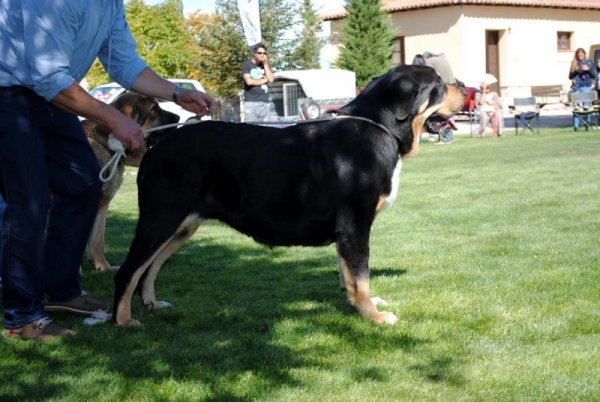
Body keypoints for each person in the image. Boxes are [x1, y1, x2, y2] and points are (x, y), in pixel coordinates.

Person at [0, 1, 215, 341]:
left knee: (84, 183)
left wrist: (177, 92)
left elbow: (124, 63)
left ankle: (59, 290)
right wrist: (116, 119)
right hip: (9, 95)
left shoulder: (110, 4)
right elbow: (47, 76)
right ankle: (22, 318)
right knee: (27, 203)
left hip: (52, 94)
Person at [425, 49, 456, 144]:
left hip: (443, 90)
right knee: (448, 113)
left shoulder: (430, 61)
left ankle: (447, 138)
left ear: (426, 57)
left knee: (442, 114)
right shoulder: (443, 60)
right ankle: (447, 137)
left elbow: (428, 75)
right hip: (452, 89)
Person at [241, 43, 275, 122]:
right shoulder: (247, 64)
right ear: (254, 53)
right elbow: (249, 81)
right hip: (251, 102)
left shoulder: (265, 65)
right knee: (251, 130)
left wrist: (265, 64)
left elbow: (271, 79)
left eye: (264, 53)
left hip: (265, 102)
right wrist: (264, 80)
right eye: (260, 53)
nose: (262, 55)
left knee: (265, 130)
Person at [568, 48, 596, 131]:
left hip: (586, 87)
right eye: (578, 55)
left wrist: (588, 69)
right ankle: (576, 126)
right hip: (576, 87)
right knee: (576, 107)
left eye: (581, 55)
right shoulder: (574, 63)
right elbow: (570, 77)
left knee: (586, 107)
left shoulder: (589, 62)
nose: (580, 57)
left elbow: (594, 75)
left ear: (584, 54)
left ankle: (587, 124)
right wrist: (576, 71)